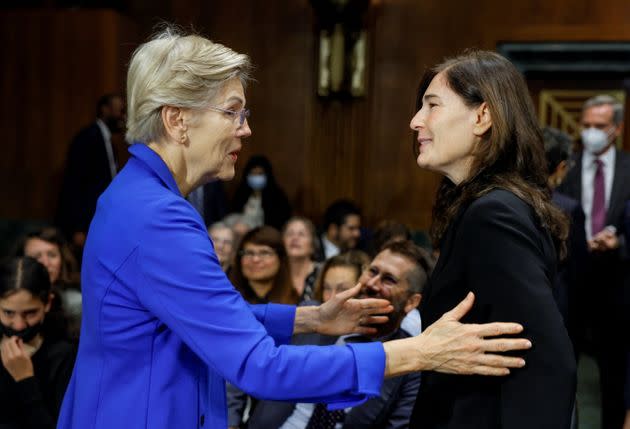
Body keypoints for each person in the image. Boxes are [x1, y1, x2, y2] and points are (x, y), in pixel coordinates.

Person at [56, 28, 532, 429]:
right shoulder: (158, 216)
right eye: (232, 111)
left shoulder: (137, 195)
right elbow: (257, 366)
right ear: (177, 120)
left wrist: (312, 319)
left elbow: (199, 316)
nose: (245, 129)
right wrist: (416, 353)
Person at [408, 50, 577, 428]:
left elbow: (546, 359)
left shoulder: (492, 213)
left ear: (482, 116)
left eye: (431, 106)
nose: (415, 121)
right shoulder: (486, 205)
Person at [247, 241, 430, 429]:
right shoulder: (313, 314)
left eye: (389, 279)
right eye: (372, 271)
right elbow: (245, 350)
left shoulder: (410, 360)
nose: (372, 284)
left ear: (411, 302)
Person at [557, 94, 630, 429]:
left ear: (616, 128)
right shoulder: (565, 167)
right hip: (569, 284)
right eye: (585, 126)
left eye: (598, 127)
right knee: (562, 372)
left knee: (614, 379)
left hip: (617, 287)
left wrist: (620, 241)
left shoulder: (629, 168)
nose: (590, 133)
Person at [0, 257, 76, 429]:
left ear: (47, 303)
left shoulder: (64, 356)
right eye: (8, 313)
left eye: (30, 313)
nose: (19, 325)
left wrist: (25, 379)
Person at [55, 94, 126, 249]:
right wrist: (78, 227)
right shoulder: (88, 138)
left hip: (103, 222)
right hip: (86, 225)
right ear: (105, 110)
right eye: (119, 111)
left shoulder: (109, 142)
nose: (123, 116)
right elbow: (75, 184)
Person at [542, 127, 588, 354]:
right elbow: (579, 270)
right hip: (557, 308)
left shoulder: (503, 198)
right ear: (561, 167)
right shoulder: (568, 208)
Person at [15, 227, 82, 342]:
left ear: (62, 260)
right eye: (36, 256)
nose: (45, 263)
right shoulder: (8, 298)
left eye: (52, 255)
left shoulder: (76, 303)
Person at [229, 226, 298, 305]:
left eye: (264, 253)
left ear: (281, 259)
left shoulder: (298, 306)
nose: (255, 259)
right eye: (249, 253)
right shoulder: (227, 301)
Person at [230, 155, 292, 230]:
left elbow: (280, 223)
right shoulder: (240, 194)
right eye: (253, 173)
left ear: (267, 175)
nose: (256, 177)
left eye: (260, 174)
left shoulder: (277, 197)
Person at [283, 216, 323, 302]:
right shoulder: (276, 272)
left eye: (301, 234)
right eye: (290, 234)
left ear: (313, 244)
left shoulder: (323, 272)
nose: (295, 238)